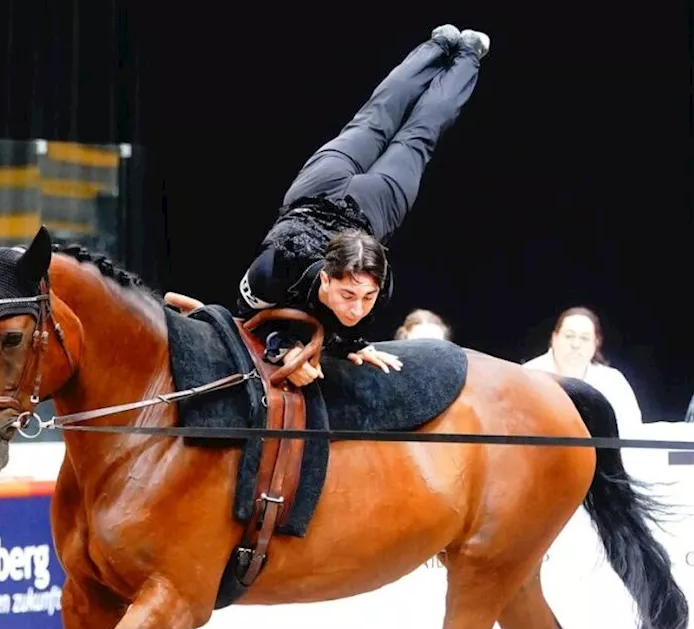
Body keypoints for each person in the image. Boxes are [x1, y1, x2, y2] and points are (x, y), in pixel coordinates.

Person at [235, 24, 489, 387]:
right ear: (325, 279)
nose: (357, 308)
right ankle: (464, 52)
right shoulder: (368, 280)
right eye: (349, 295)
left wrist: (294, 344)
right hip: (373, 207)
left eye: (365, 297)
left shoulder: (277, 267)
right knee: (413, 133)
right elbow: (246, 316)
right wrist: (338, 344)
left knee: (378, 115)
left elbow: (249, 316)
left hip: (316, 189)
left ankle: (445, 45)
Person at [523, 307, 643, 435]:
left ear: (596, 343)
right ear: (554, 338)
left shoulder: (613, 382)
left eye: (584, 338)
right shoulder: (527, 375)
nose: (576, 344)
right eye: (569, 336)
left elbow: (631, 433)